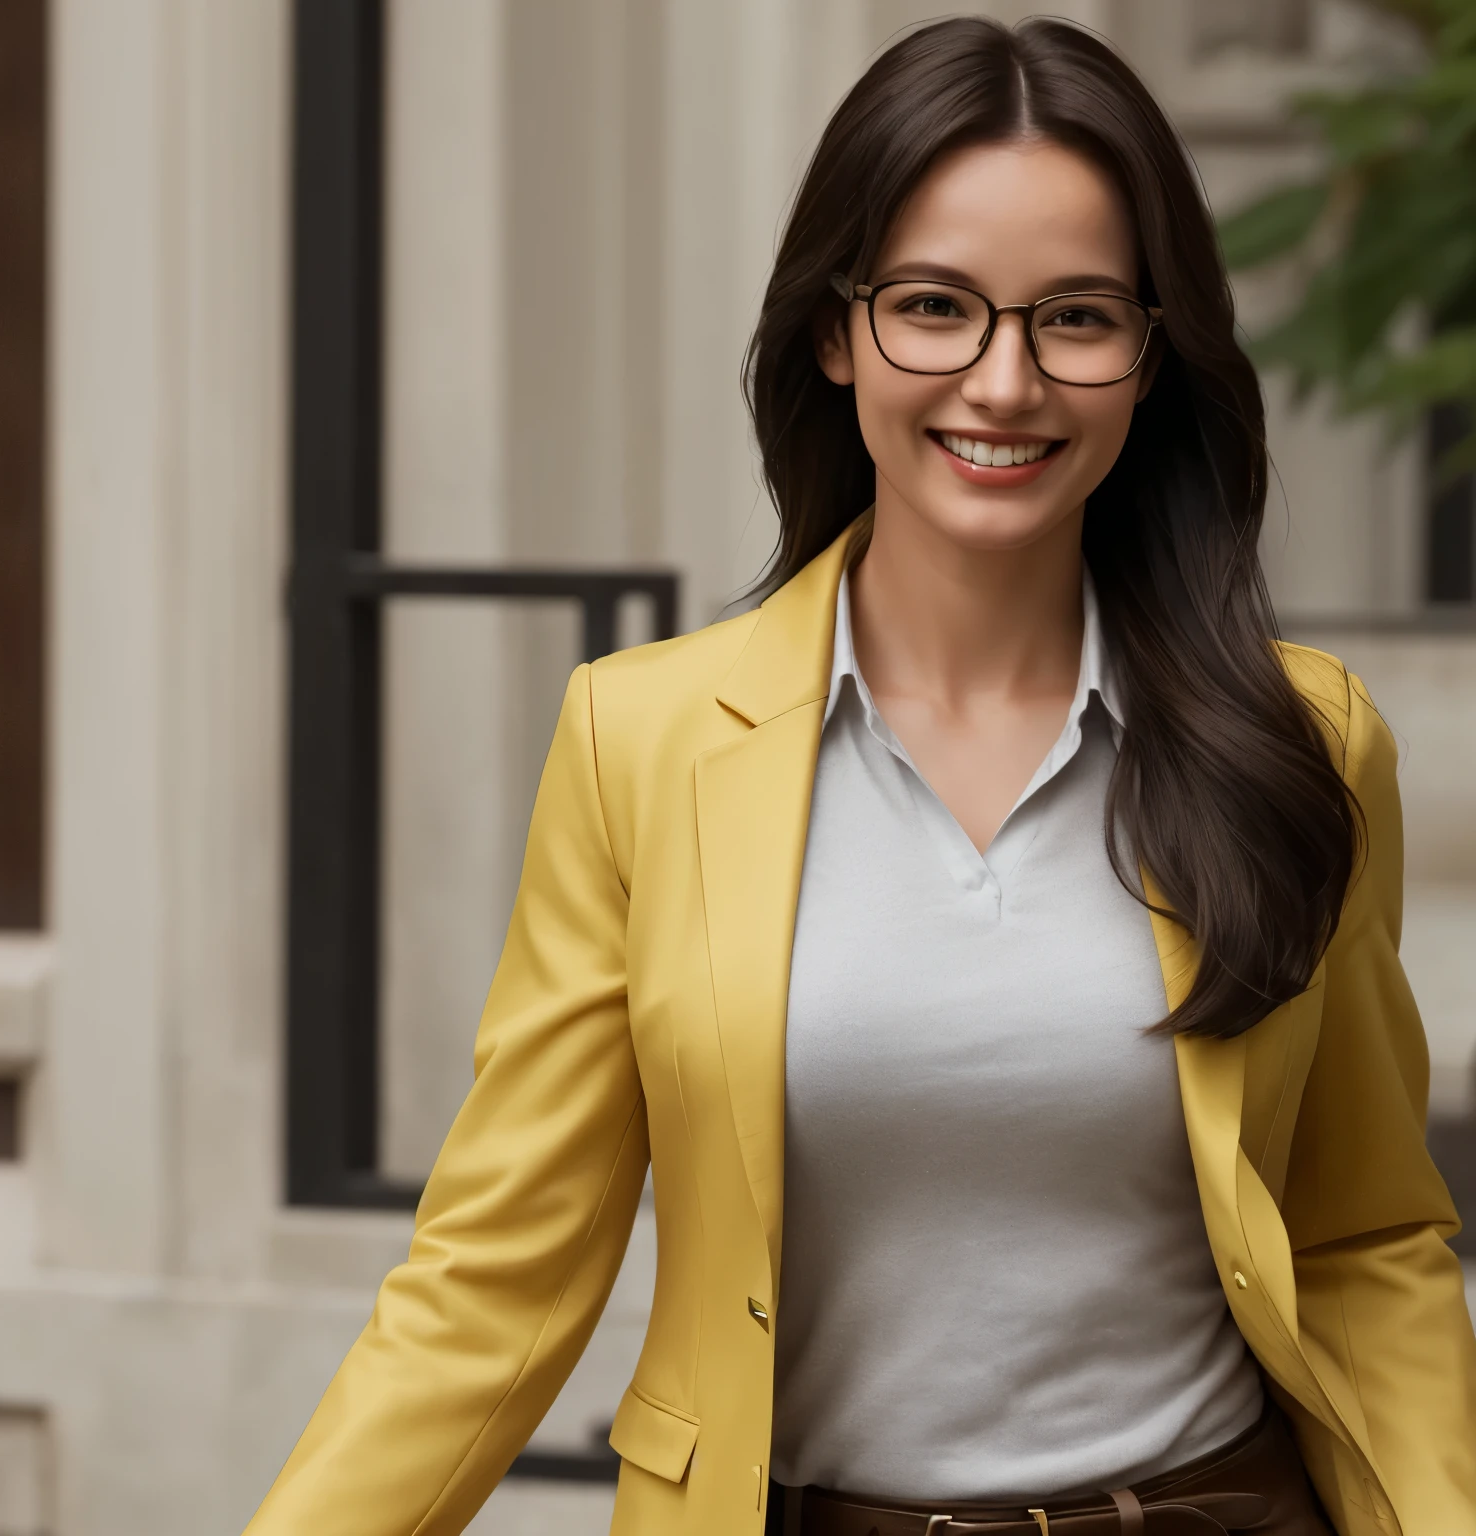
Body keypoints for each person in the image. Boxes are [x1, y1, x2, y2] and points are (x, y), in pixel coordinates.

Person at [243, 17, 1476, 1536]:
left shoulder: (1298, 740)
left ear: (1155, 356)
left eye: (1076, 317)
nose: (1004, 382)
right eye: (936, 308)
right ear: (837, 333)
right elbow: (493, 1288)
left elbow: (1363, 1239)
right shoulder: (645, 745)